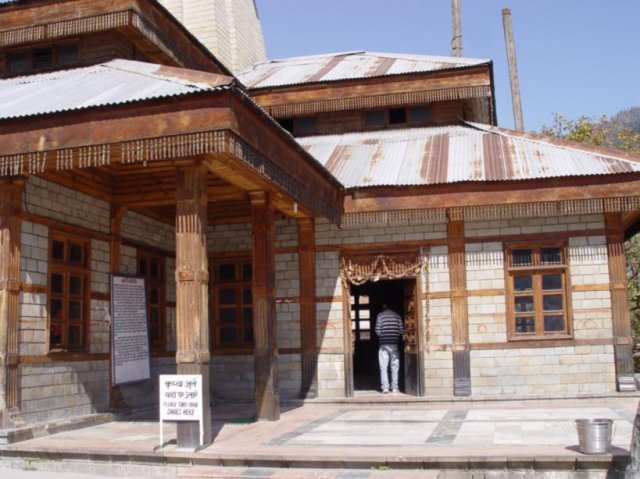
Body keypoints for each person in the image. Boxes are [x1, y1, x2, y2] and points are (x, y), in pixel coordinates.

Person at [374, 303, 403, 393]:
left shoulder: (380, 316)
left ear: (384, 306)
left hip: (383, 345)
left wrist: (383, 336)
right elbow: (401, 330)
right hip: (394, 344)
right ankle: (395, 387)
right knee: (394, 366)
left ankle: (385, 387)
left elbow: (377, 330)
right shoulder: (397, 316)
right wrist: (395, 336)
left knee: (383, 367)